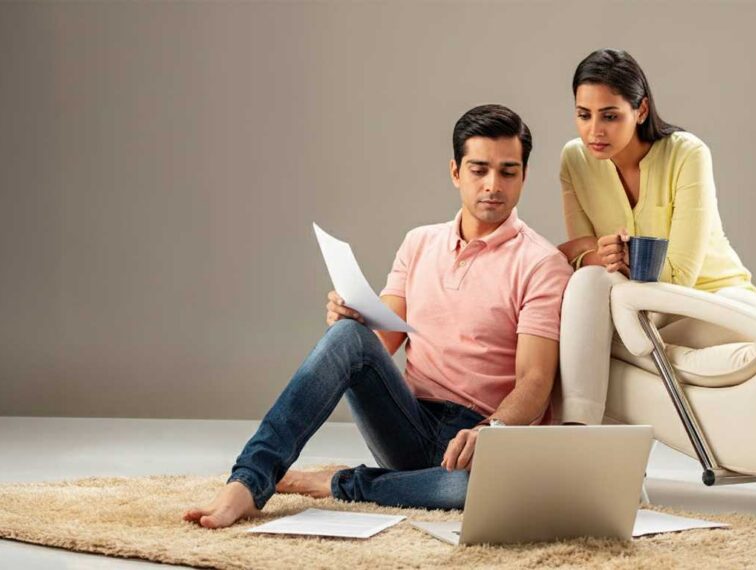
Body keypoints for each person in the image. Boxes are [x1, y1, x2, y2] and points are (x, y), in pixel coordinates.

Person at [183, 104, 573, 528]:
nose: (492, 185)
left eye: (508, 171)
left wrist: (491, 431)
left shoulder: (541, 262)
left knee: (481, 492)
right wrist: (353, 318)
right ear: (456, 172)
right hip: (406, 419)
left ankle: (345, 484)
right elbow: (380, 342)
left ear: (524, 176)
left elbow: (535, 382)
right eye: (479, 170)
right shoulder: (419, 243)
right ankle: (247, 482)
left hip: (478, 441)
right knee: (348, 335)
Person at [556, 49, 756, 426]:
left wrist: (612, 258)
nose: (594, 131)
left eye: (610, 116)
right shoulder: (575, 158)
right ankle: (578, 431)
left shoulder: (688, 153)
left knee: (601, 306)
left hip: (714, 299)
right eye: (583, 115)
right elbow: (584, 257)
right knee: (588, 281)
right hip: (637, 306)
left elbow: (680, 277)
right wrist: (598, 257)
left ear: (641, 110)